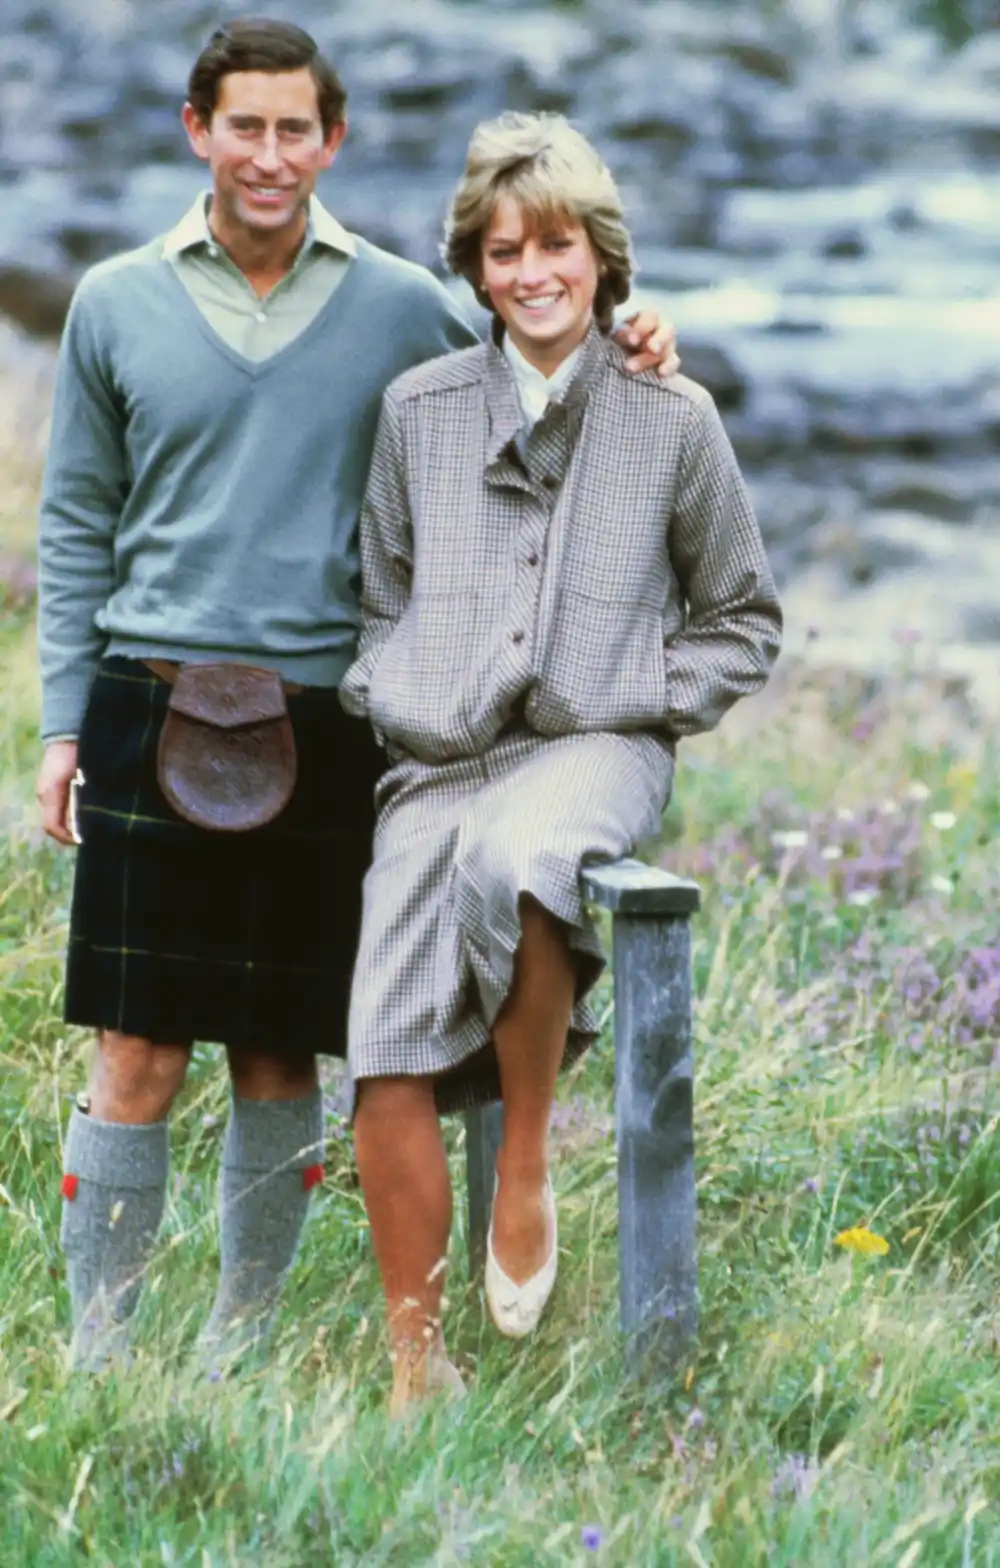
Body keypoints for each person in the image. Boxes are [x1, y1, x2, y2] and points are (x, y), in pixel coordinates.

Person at [35, 20, 679, 1371]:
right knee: (135, 1055)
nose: (268, 156)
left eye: (294, 130)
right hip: (146, 706)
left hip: (326, 722)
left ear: (331, 142)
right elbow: (77, 524)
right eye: (243, 126)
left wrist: (633, 345)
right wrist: (57, 725)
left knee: (281, 1053)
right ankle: (98, 1354)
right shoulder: (112, 300)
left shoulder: (398, 302)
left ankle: (242, 1347)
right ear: (195, 128)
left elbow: (528, 353)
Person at [340, 110, 783, 1415]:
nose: (534, 273)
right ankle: (415, 1372)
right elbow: (381, 590)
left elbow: (744, 617)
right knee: (382, 1043)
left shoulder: (672, 416)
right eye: (506, 249)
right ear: (474, 267)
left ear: (604, 259)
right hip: (438, 759)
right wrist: (394, 684)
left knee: (528, 856)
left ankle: (525, 1153)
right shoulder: (418, 412)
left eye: (560, 247)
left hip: (596, 755)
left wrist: (637, 693)